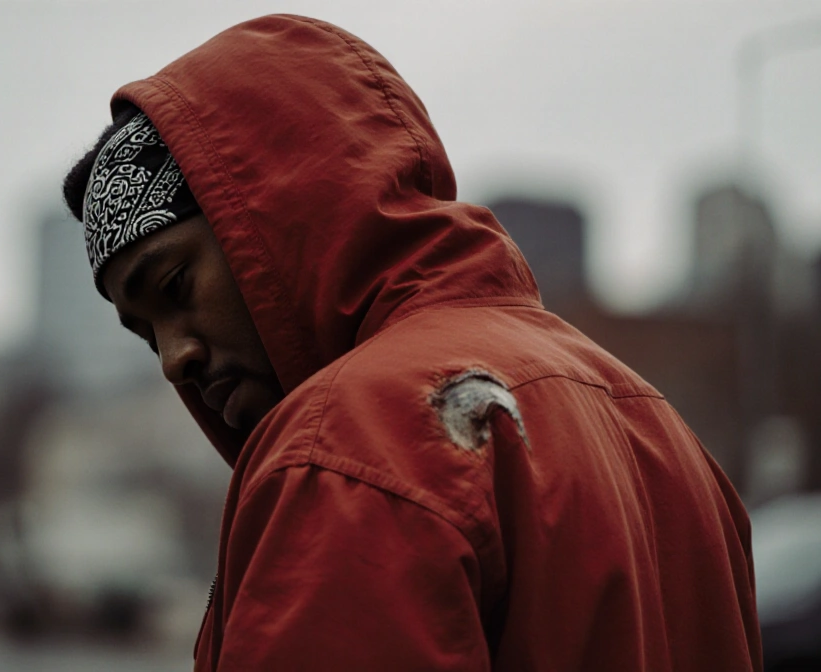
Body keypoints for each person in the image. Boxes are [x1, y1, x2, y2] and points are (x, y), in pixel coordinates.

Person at [62, 14, 762, 671]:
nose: (174, 358)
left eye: (176, 285)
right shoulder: (662, 433)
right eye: (145, 333)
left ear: (279, 212)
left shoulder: (346, 452)